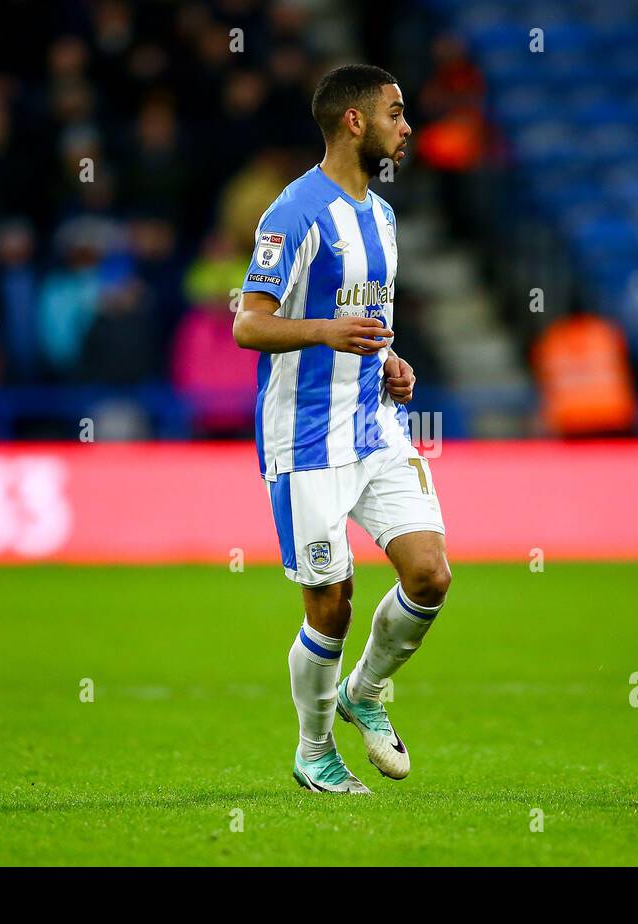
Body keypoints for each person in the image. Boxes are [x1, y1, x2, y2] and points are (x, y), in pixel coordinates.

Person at [233, 65, 450, 794]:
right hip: (304, 437)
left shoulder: (382, 218)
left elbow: (367, 318)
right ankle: (315, 749)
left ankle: (364, 691)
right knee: (332, 601)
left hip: (374, 424)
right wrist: (325, 330)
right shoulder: (293, 214)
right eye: (396, 111)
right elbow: (246, 323)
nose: (406, 125)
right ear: (354, 122)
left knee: (429, 574)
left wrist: (390, 358)